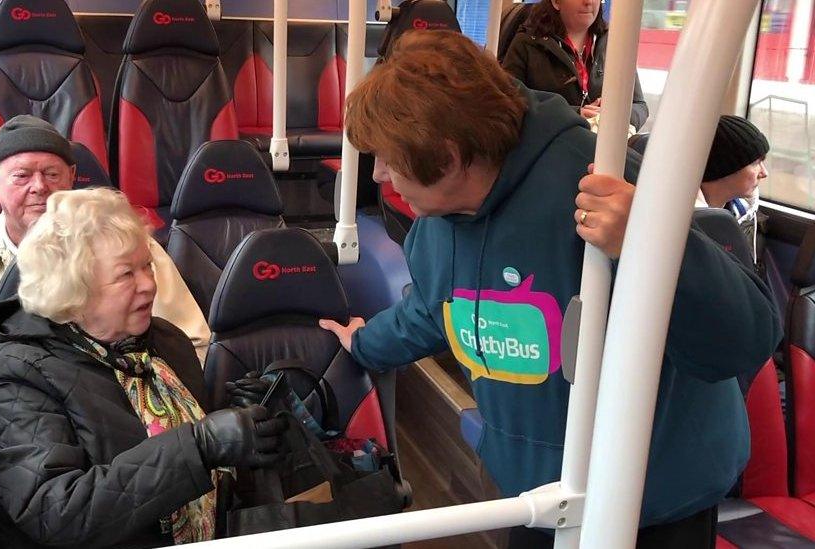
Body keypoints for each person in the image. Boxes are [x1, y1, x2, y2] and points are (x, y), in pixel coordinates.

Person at [319, 31, 781, 547]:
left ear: (447, 157)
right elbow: (430, 312)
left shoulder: (598, 182)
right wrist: (363, 342)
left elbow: (743, 341)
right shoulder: (437, 227)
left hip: (649, 503)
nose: (379, 175)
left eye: (387, 158)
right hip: (535, 498)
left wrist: (652, 243)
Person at [0, 187, 286, 548]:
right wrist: (200, 446)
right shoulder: (12, 379)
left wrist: (242, 426)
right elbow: (57, 512)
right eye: (125, 275)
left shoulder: (167, 342)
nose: (149, 285)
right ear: (73, 289)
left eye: (146, 265)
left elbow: (205, 472)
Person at [0, 115, 210, 416]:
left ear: (71, 176)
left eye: (52, 174)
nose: (39, 187)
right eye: (21, 176)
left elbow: (192, 341)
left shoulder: (131, 247)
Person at [502, 0, 649, 131]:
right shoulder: (527, 43)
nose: (589, 2)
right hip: (554, 149)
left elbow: (640, 106)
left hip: (605, 149)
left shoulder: (614, 42)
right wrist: (575, 114)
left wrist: (617, 114)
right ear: (556, 2)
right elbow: (509, 105)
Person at [698, 115, 769, 262]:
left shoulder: (745, 213)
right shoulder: (687, 227)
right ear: (723, 168)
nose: (764, 173)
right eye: (756, 163)